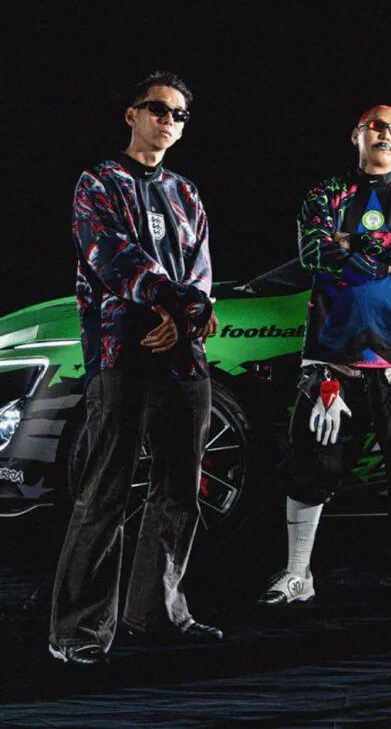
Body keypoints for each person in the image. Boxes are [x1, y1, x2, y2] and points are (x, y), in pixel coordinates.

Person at [257, 105, 391, 609]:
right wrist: (388, 254)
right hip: (333, 358)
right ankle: (297, 574)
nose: (386, 135)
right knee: (310, 467)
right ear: (357, 135)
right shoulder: (325, 194)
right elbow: (314, 253)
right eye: (377, 126)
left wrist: (352, 242)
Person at [50, 71, 220, 666]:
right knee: (106, 492)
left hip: (185, 359)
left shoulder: (186, 192)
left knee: (180, 493)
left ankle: (156, 614)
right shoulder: (98, 182)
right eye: (158, 109)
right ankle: (78, 632)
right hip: (122, 353)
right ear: (132, 114)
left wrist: (188, 312)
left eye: (178, 114)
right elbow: (111, 257)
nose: (168, 121)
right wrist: (174, 305)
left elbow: (201, 271)